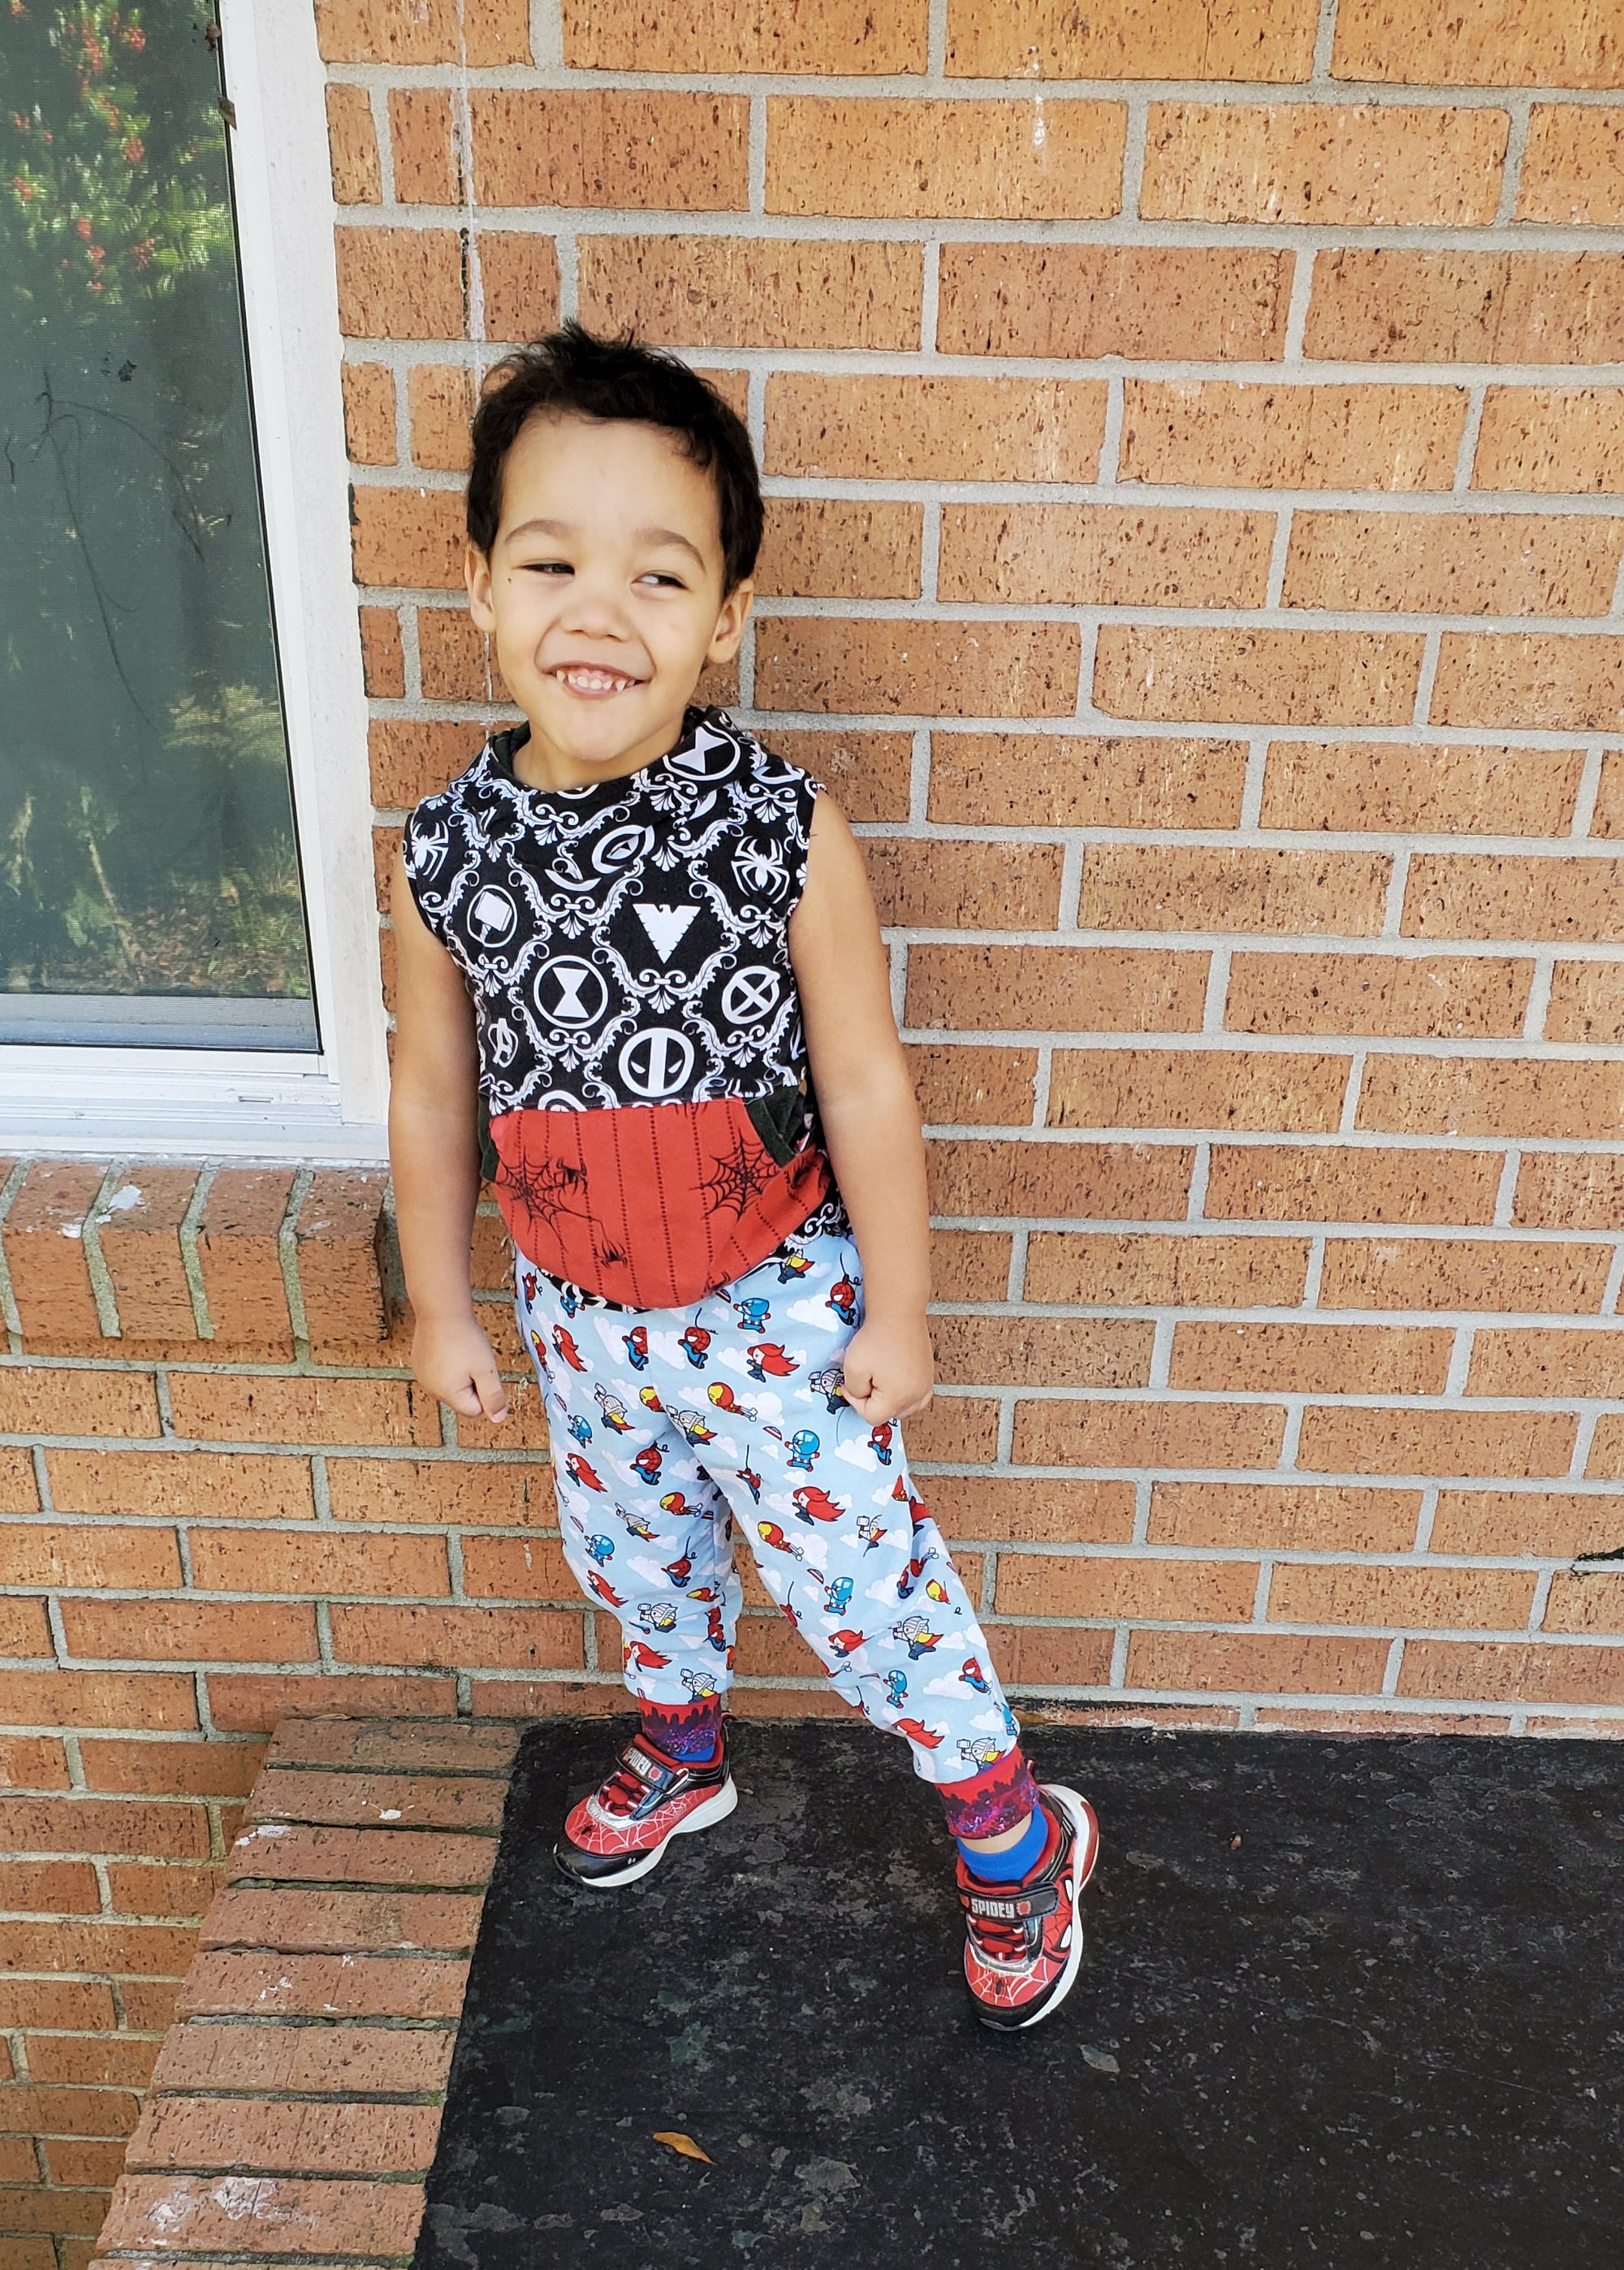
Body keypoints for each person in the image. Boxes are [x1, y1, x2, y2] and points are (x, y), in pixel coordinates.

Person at [387, 323, 1099, 2031]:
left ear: (724, 616)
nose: (598, 612)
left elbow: (863, 1078)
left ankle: (1014, 1831)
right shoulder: (444, 854)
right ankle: (683, 1748)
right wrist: (442, 1302)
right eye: (551, 562)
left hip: (777, 1305)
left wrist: (899, 1311)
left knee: (865, 1589)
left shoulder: (780, 828)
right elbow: (431, 1086)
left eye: (658, 573)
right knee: (638, 1557)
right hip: (581, 1315)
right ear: (478, 584)